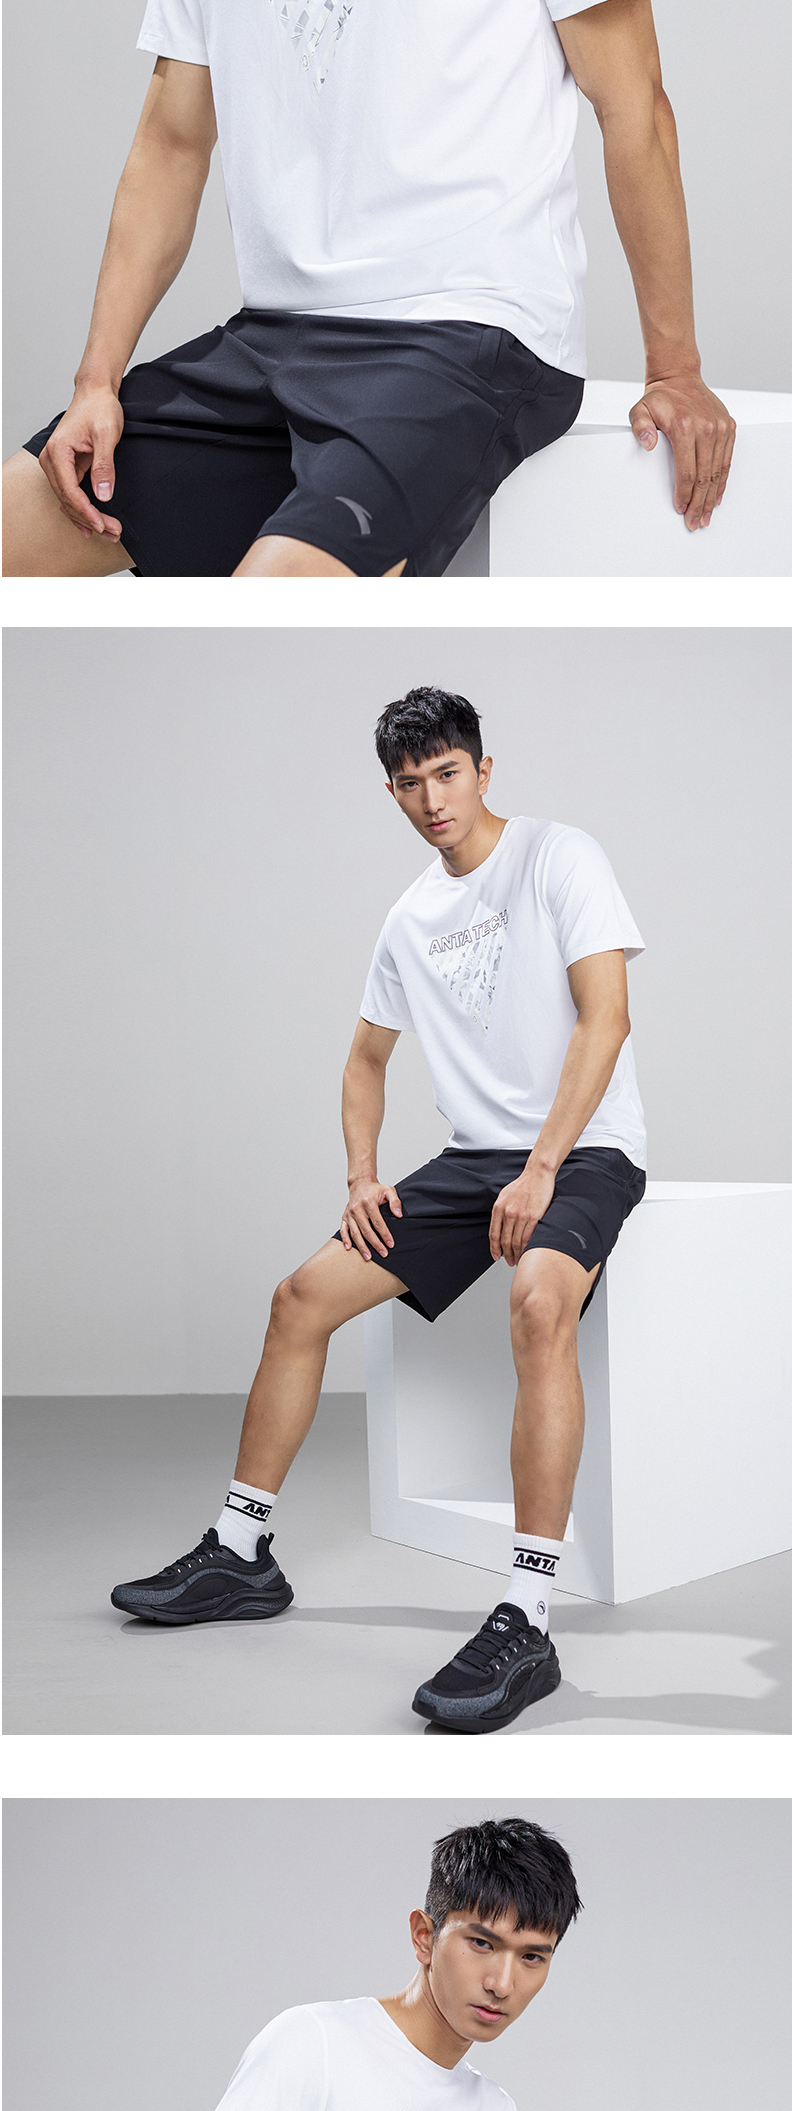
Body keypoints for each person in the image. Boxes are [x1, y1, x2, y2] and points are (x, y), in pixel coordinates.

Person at [111, 687, 648, 1734]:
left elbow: (607, 1018)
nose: (432, 799)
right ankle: (241, 1551)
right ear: (392, 793)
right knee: (298, 1298)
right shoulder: (409, 918)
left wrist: (543, 1165)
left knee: (540, 1302)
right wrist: (362, 1176)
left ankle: (527, 1615)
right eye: (409, 783)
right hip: (475, 1159)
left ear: (483, 769)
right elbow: (365, 1059)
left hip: (585, 1148)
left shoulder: (559, 857)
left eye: (447, 773)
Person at [4, 0, 736, 578]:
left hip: (463, 333)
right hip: (270, 343)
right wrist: (97, 380)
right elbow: (173, 142)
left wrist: (675, 368)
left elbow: (634, 104)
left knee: (263, 616)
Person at [213, 1817, 581, 2108]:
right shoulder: (313, 2044)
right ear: (424, 1936)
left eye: (531, 1956)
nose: (501, 1985)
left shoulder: (493, 2105)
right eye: (482, 1943)